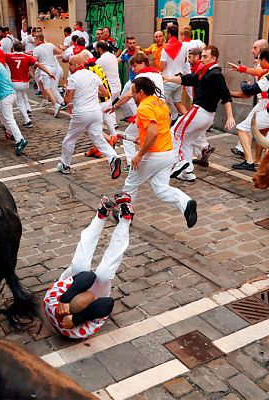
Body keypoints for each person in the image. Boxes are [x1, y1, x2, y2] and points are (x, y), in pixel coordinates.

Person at [44, 196, 131, 339]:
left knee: (80, 266)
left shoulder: (52, 300)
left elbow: (88, 276)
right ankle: (126, 219)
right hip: (97, 296)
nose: (87, 294)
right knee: (105, 273)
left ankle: (101, 215)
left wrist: (65, 299)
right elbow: (108, 303)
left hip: (71, 284)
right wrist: (78, 319)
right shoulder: (76, 330)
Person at [120, 77, 198, 228]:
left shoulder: (143, 107)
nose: (132, 96)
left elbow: (153, 132)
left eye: (133, 92)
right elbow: (161, 126)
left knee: (130, 185)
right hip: (168, 152)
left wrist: (139, 155)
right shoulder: (160, 103)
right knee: (161, 189)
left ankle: (124, 216)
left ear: (141, 92)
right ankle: (186, 203)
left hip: (153, 154)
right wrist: (142, 138)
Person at [166, 46, 235, 182]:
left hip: (200, 111)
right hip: (206, 116)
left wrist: (230, 115)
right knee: (186, 140)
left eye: (205, 57)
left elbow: (225, 96)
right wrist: (167, 78)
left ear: (213, 58)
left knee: (173, 133)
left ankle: (179, 162)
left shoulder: (215, 74)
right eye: (202, 56)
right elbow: (188, 79)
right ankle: (188, 172)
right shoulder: (205, 72)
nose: (202, 59)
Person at [57, 53, 121, 179]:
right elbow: (105, 93)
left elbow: (67, 100)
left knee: (69, 140)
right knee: (98, 138)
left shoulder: (73, 78)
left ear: (79, 64)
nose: (69, 66)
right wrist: (91, 91)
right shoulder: (93, 75)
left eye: (71, 64)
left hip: (81, 112)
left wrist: (67, 90)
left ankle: (65, 165)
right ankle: (113, 157)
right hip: (96, 112)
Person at [5, 41, 56, 128]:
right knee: (23, 95)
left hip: (15, 82)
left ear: (13, 48)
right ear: (22, 48)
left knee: (20, 102)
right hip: (25, 83)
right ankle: (28, 109)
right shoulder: (27, 57)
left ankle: (27, 120)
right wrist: (49, 73)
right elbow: (39, 64)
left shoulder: (9, 56)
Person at [160, 25, 189, 120]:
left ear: (169, 34)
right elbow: (185, 60)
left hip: (168, 80)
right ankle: (186, 119)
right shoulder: (183, 47)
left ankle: (166, 123)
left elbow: (162, 66)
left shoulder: (165, 48)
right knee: (177, 102)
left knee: (162, 103)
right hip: (179, 79)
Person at [33, 33, 65, 117]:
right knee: (40, 81)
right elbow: (61, 52)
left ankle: (56, 105)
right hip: (54, 68)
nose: (34, 41)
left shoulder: (36, 49)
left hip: (45, 69)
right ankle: (45, 99)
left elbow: (34, 62)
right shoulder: (50, 45)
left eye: (35, 39)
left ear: (38, 40)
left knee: (48, 88)